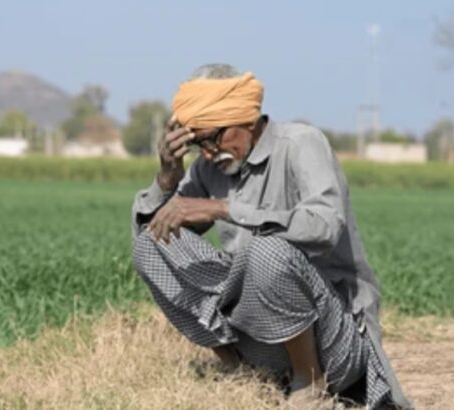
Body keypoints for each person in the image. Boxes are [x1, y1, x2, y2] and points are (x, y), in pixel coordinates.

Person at [131, 64, 412, 409]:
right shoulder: (209, 166)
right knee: (151, 245)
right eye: (197, 144)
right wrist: (167, 178)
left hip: (333, 340)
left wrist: (224, 208)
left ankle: (310, 382)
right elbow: (156, 237)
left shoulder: (301, 143)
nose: (206, 153)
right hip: (259, 334)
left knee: (267, 249)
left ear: (246, 120)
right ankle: (241, 372)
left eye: (212, 139)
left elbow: (323, 226)